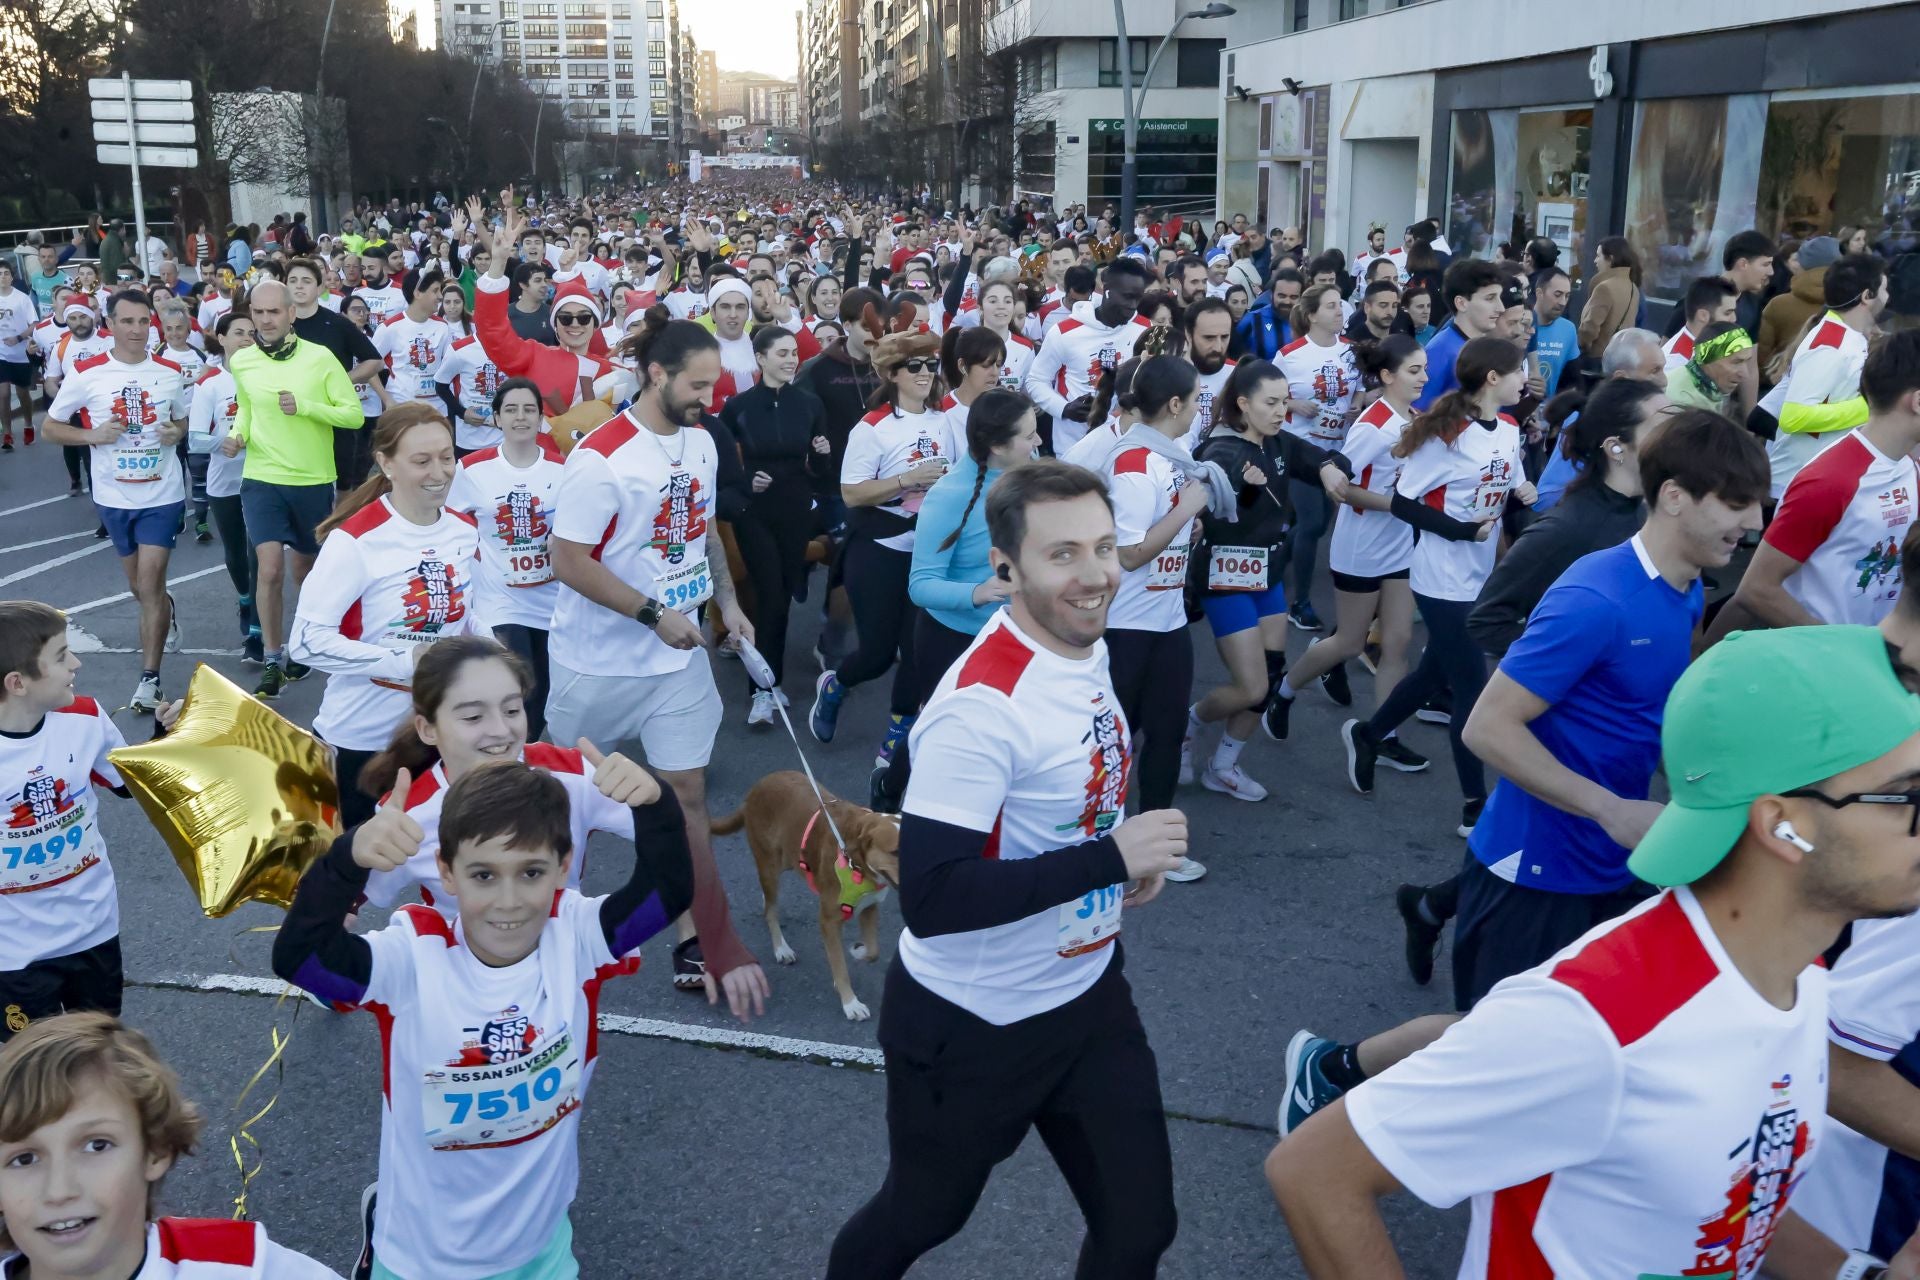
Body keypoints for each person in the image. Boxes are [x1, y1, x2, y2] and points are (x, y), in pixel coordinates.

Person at [1268, 623, 1920, 1280]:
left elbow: (1726, 1198)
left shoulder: (1795, 978)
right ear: (1785, 826)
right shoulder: (1597, 1020)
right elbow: (1316, 1171)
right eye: (1911, 797)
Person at [825, 461, 1187, 1280]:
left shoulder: (1078, 639)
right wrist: (1108, 856)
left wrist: (1111, 852)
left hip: (1088, 994)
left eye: (1103, 546)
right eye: (1063, 555)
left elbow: (1052, 801)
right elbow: (935, 893)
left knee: (1140, 1229)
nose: (1095, 574)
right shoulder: (980, 708)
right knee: (921, 1215)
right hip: (971, 1024)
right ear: (1006, 569)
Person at [271, 757, 692, 1280]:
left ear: (564, 866)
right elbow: (300, 960)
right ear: (446, 871)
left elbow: (667, 892)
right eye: (483, 875)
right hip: (420, 1260)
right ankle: (378, 1220)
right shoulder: (413, 959)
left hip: (541, 1251)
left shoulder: (575, 936)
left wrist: (656, 804)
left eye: (531, 872)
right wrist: (345, 861)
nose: (509, 901)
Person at [544, 317, 769, 1016]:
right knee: (564, 809)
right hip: (596, 664)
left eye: (714, 383)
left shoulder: (701, 442)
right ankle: (550, 936)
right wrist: (651, 614)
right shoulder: (602, 456)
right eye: (697, 384)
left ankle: (692, 933)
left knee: (686, 797)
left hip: (676, 663)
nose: (709, 396)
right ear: (656, 375)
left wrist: (725, 603)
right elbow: (567, 560)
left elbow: (700, 530)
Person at [1340, 338, 1534, 834]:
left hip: (1481, 574)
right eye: (1518, 371)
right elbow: (1404, 502)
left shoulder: (1509, 428)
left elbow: (1507, 486)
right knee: (1471, 685)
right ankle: (1474, 805)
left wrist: (1522, 494)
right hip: (1439, 576)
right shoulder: (1447, 434)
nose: (1525, 379)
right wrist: (1462, 531)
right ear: (1493, 377)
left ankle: (1369, 733)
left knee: (1431, 674)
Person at [0, 1012, 342, 1278]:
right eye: (24, 1158)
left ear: (156, 1149)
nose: (59, 1190)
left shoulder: (247, 1268)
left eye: (96, 1146)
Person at [289, 405, 482, 829]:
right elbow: (305, 642)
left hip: (440, 732)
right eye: (421, 461)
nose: (440, 472)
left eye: (447, 457)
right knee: (352, 878)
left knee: (446, 865)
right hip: (362, 740)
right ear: (386, 463)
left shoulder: (464, 530)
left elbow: (473, 616)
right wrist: (406, 661)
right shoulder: (355, 541)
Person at [1185, 357, 1355, 800]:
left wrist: (1330, 467)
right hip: (1226, 576)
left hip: (1268, 575)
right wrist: (1245, 489)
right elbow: (1205, 512)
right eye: (1271, 403)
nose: (1283, 411)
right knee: (1252, 684)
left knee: (1272, 673)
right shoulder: (1219, 452)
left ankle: (1223, 764)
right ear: (1243, 404)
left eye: (1285, 402)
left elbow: (1316, 455)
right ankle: (1190, 723)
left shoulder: (1280, 443)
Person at [884, 387, 1043, 810]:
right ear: (996, 445)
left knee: (1009, 729)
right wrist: (979, 592)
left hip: (1015, 634)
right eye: (1029, 435)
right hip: (951, 638)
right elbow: (921, 584)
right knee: (941, 733)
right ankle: (889, 788)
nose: (1038, 442)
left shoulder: (1034, 477)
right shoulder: (950, 494)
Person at [809, 327, 954, 779]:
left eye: (931, 364)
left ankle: (898, 734)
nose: (926, 373)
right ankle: (835, 686)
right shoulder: (871, 428)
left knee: (916, 650)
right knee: (876, 653)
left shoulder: (945, 418)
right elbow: (851, 494)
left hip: (927, 548)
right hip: (877, 546)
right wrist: (906, 481)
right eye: (915, 366)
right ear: (892, 373)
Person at [1276, 336, 1427, 767]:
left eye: (1424, 369)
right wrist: (1398, 504)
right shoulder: (1372, 425)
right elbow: (1343, 489)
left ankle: (1383, 734)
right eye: (1414, 370)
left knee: (1397, 642)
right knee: (1349, 641)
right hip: (1360, 547)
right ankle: (1283, 692)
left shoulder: (1415, 417)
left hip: (1399, 546)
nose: (1424, 378)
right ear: (1387, 376)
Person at [41, 290, 187, 712]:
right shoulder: (87, 373)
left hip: (162, 493)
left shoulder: (170, 371)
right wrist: (91, 436)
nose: (137, 330)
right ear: (111, 325)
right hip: (113, 494)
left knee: (150, 582)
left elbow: (180, 417)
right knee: (138, 587)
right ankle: (165, 610)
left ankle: (150, 678)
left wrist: (176, 432)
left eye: (144, 321)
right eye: (128, 321)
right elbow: (51, 427)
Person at [1722, 330, 1920, 634]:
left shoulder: (1909, 467)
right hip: (1822, 665)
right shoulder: (1830, 480)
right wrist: (1838, 647)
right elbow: (1756, 589)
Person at [227, 279, 368, 699]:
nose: (266, 320)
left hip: (311, 479)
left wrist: (305, 407)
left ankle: (305, 642)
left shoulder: (320, 358)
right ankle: (272, 658)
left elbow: (354, 415)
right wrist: (237, 434)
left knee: (304, 572)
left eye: (274, 312)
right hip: (261, 476)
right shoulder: (243, 361)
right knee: (268, 567)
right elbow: (247, 411)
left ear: (291, 314)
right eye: (258, 312)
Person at [0, 604, 132, 1042]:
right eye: (60, 657)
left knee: (100, 1049)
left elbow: (135, 784)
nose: (75, 664)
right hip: (14, 951)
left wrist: (172, 740)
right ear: (17, 683)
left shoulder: (86, 718)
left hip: (93, 925)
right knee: (33, 1067)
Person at [717, 326, 831, 724]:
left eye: (794, 352)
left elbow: (821, 472)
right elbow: (725, 468)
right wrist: (748, 481)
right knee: (769, 594)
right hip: (755, 513)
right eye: (781, 353)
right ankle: (762, 691)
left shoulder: (810, 404)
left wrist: (821, 454)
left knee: (781, 597)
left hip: (796, 509)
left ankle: (770, 682)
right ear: (760, 358)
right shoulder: (738, 407)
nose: (790, 359)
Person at [445, 379, 566, 742]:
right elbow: (449, 524)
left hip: (551, 600)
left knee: (544, 693)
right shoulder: (473, 468)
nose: (520, 417)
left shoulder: (562, 469)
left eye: (529, 409)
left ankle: (524, 754)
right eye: (511, 410)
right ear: (497, 418)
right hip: (499, 599)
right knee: (516, 684)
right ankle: (511, 766)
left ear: (541, 418)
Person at [1759, 252, 1886, 501]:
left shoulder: (1848, 336)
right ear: (1867, 297)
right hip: (1797, 486)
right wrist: (1871, 408)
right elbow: (1794, 417)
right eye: (1884, 289)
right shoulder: (1831, 344)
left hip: (1814, 480)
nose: (1888, 297)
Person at [1277, 284, 1362, 632]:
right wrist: (1293, 404)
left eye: (1341, 306)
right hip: (1299, 447)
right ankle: (1300, 604)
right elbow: (1265, 396)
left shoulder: (1353, 351)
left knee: (1313, 524)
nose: (1339, 313)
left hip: (1337, 449)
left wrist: (1361, 402)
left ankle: (1270, 570)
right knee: (1312, 523)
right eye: (1331, 307)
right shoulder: (1290, 354)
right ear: (1312, 315)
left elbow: (1360, 393)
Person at [189, 312, 264, 664]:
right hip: (225, 480)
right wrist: (224, 442)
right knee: (235, 554)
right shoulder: (210, 384)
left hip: (263, 474)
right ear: (222, 339)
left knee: (259, 553)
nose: (247, 338)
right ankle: (245, 600)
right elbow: (196, 439)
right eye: (238, 333)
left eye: (252, 333)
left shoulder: (268, 374)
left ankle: (257, 632)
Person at [1024, 256, 1152, 456]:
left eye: (1138, 297)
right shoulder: (1065, 332)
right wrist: (1065, 409)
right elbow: (1036, 380)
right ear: (1107, 290)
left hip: (1125, 446)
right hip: (1072, 448)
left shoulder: (1145, 330)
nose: (1133, 305)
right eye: (1127, 296)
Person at [287, 256, 390, 495]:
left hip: (334, 416)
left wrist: (342, 380)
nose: (299, 286)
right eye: (293, 280)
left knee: (342, 483)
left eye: (306, 280)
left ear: (321, 287)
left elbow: (374, 361)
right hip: (292, 418)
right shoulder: (279, 326)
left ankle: (337, 530)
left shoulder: (337, 324)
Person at [1413, 260, 1504, 412]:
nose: (1501, 308)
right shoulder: (1439, 350)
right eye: (1490, 298)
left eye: (1499, 297)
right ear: (1461, 303)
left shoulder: (1486, 345)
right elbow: (1418, 412)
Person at [1666, 322, 1757, 415]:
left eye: (1747, 361)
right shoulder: (1683, 405)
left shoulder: (1707, 389)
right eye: (1736, 362)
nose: (1745, 374)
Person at [1661, 275, 1739, 374]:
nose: (1734, 319)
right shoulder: (1677, 363)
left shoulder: (1706, 348)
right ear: (1703, 315)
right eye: (1727, 313)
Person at [0, 261, 36, 453]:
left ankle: (29, 424)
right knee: (3, 393)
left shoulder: (22, 299)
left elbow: (34, 324)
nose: (3, 277)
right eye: (0, 274)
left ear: (12, 277)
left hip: (20, 353)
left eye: (6, 273)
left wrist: (18, 337)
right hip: (1, 353)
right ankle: (7, 433)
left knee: (23, 394)